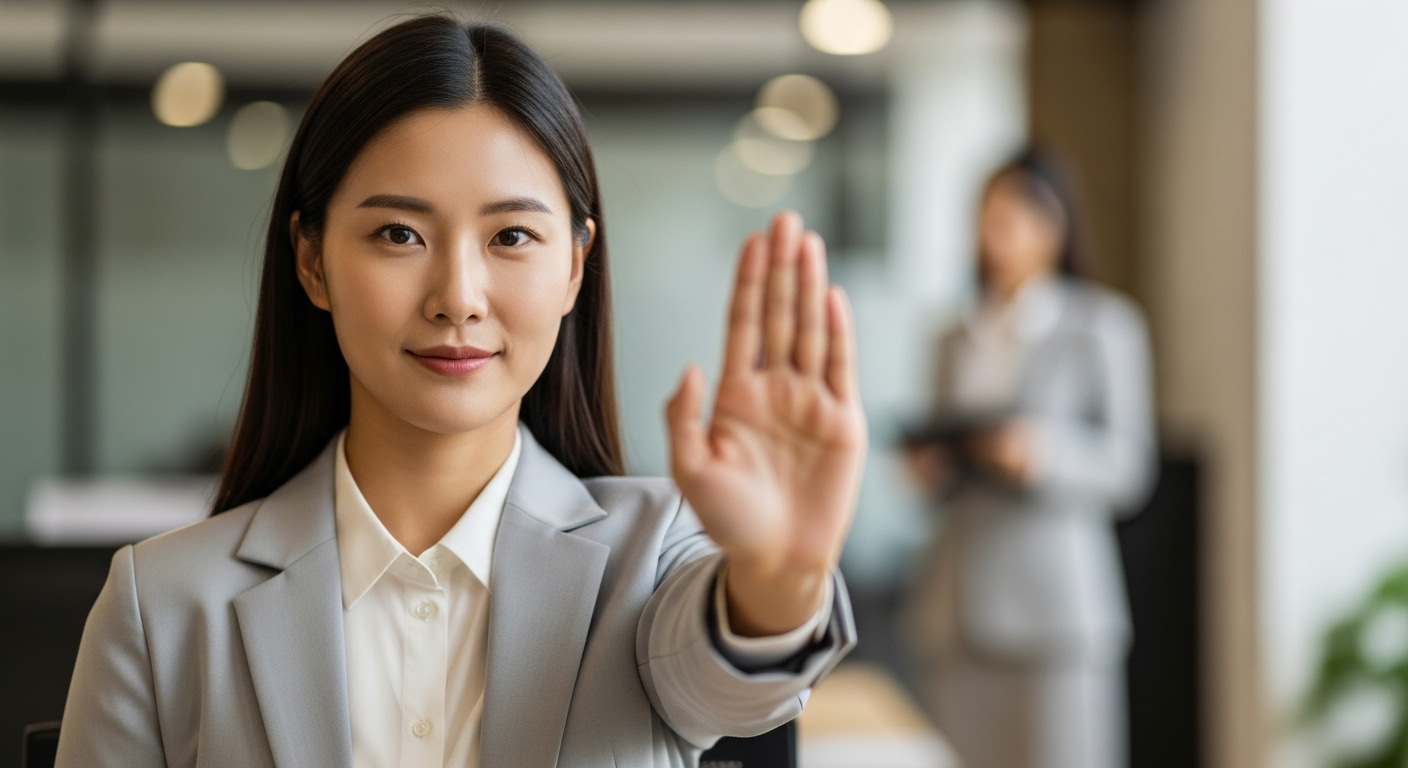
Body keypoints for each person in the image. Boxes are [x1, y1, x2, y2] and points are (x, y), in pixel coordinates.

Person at [55, 17, 866, 768]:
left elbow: (730, 682)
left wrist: (781, 581)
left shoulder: (652, 561)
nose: (459, 296)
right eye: (398, 234)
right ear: (311, 262)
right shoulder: (161, 605)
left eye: (511, 236)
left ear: (575, 267)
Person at [902, 149, 1155, 768]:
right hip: (959, 605)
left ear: (1054, 227)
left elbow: (1130, 466)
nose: (996, 235)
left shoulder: (1102, 327)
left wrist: (1042, 455)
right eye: (987, 219)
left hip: (1057, 610)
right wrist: (929, 471)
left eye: (1013, 218)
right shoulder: (953, 335)